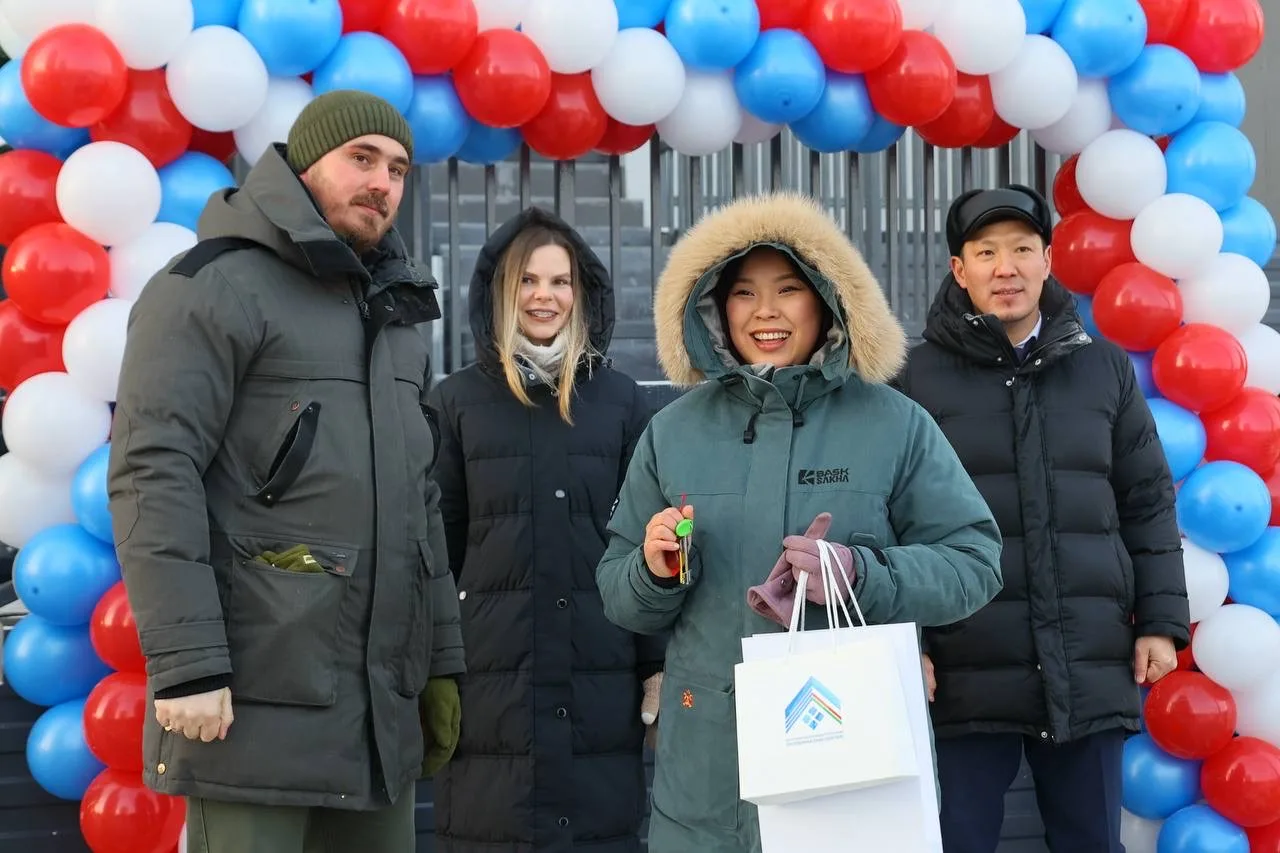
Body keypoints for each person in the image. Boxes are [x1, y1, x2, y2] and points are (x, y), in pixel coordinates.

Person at [107, 90, 465, 853]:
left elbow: (420, 504)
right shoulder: (212, 285)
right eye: (361, 158)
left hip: (375, 723)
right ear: (305, 164)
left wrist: (439, 661)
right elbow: (153, 471)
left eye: (397, 169)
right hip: (249, 712)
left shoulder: (398, 316)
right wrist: (188, 664)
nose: (381, 183)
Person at [594, 192, 1005, 853]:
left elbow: (975, 563)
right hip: (707, 778)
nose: (766, 311)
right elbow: (619, 595)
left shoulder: (894, 423)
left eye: (788, 289)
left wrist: (862, 573)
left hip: (852, 765)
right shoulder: (672, 431)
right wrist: (652, 569)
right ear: (715, 308)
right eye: (744, 293)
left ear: (828, 300)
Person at [893, 184, 1189, 853]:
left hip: (1086, 659)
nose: (1007, 268)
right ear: (959, 269)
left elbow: (1145, 500)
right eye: (986, 252)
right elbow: (888, 518)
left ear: (1048, 261)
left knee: (1091, 841)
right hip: (962, 669)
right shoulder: (914, 378)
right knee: (955, 841)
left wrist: (1160, 621)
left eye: (1023, 249)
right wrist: (910, 641)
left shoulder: (1103, 367)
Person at [426, 207, 662, 853]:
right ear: (501, 291)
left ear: (581, 293)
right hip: (490, 679)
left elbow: (649, 548)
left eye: (560, 281)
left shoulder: (621, 402)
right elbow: (437, 551)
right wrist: (433, 665)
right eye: (527, 280)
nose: (544, 296)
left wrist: (656, 664)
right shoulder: (456, 403)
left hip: (599, 673)